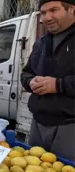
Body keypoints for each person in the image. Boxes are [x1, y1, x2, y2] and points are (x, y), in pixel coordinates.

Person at [21, 0, 75, 161]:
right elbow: (26, 73)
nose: (47, 17)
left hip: (69, 126)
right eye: (43, 13)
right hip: (38, 123)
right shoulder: (42, 43)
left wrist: (58, 85)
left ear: (71, 9)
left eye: (54, 10)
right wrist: (30, 82)